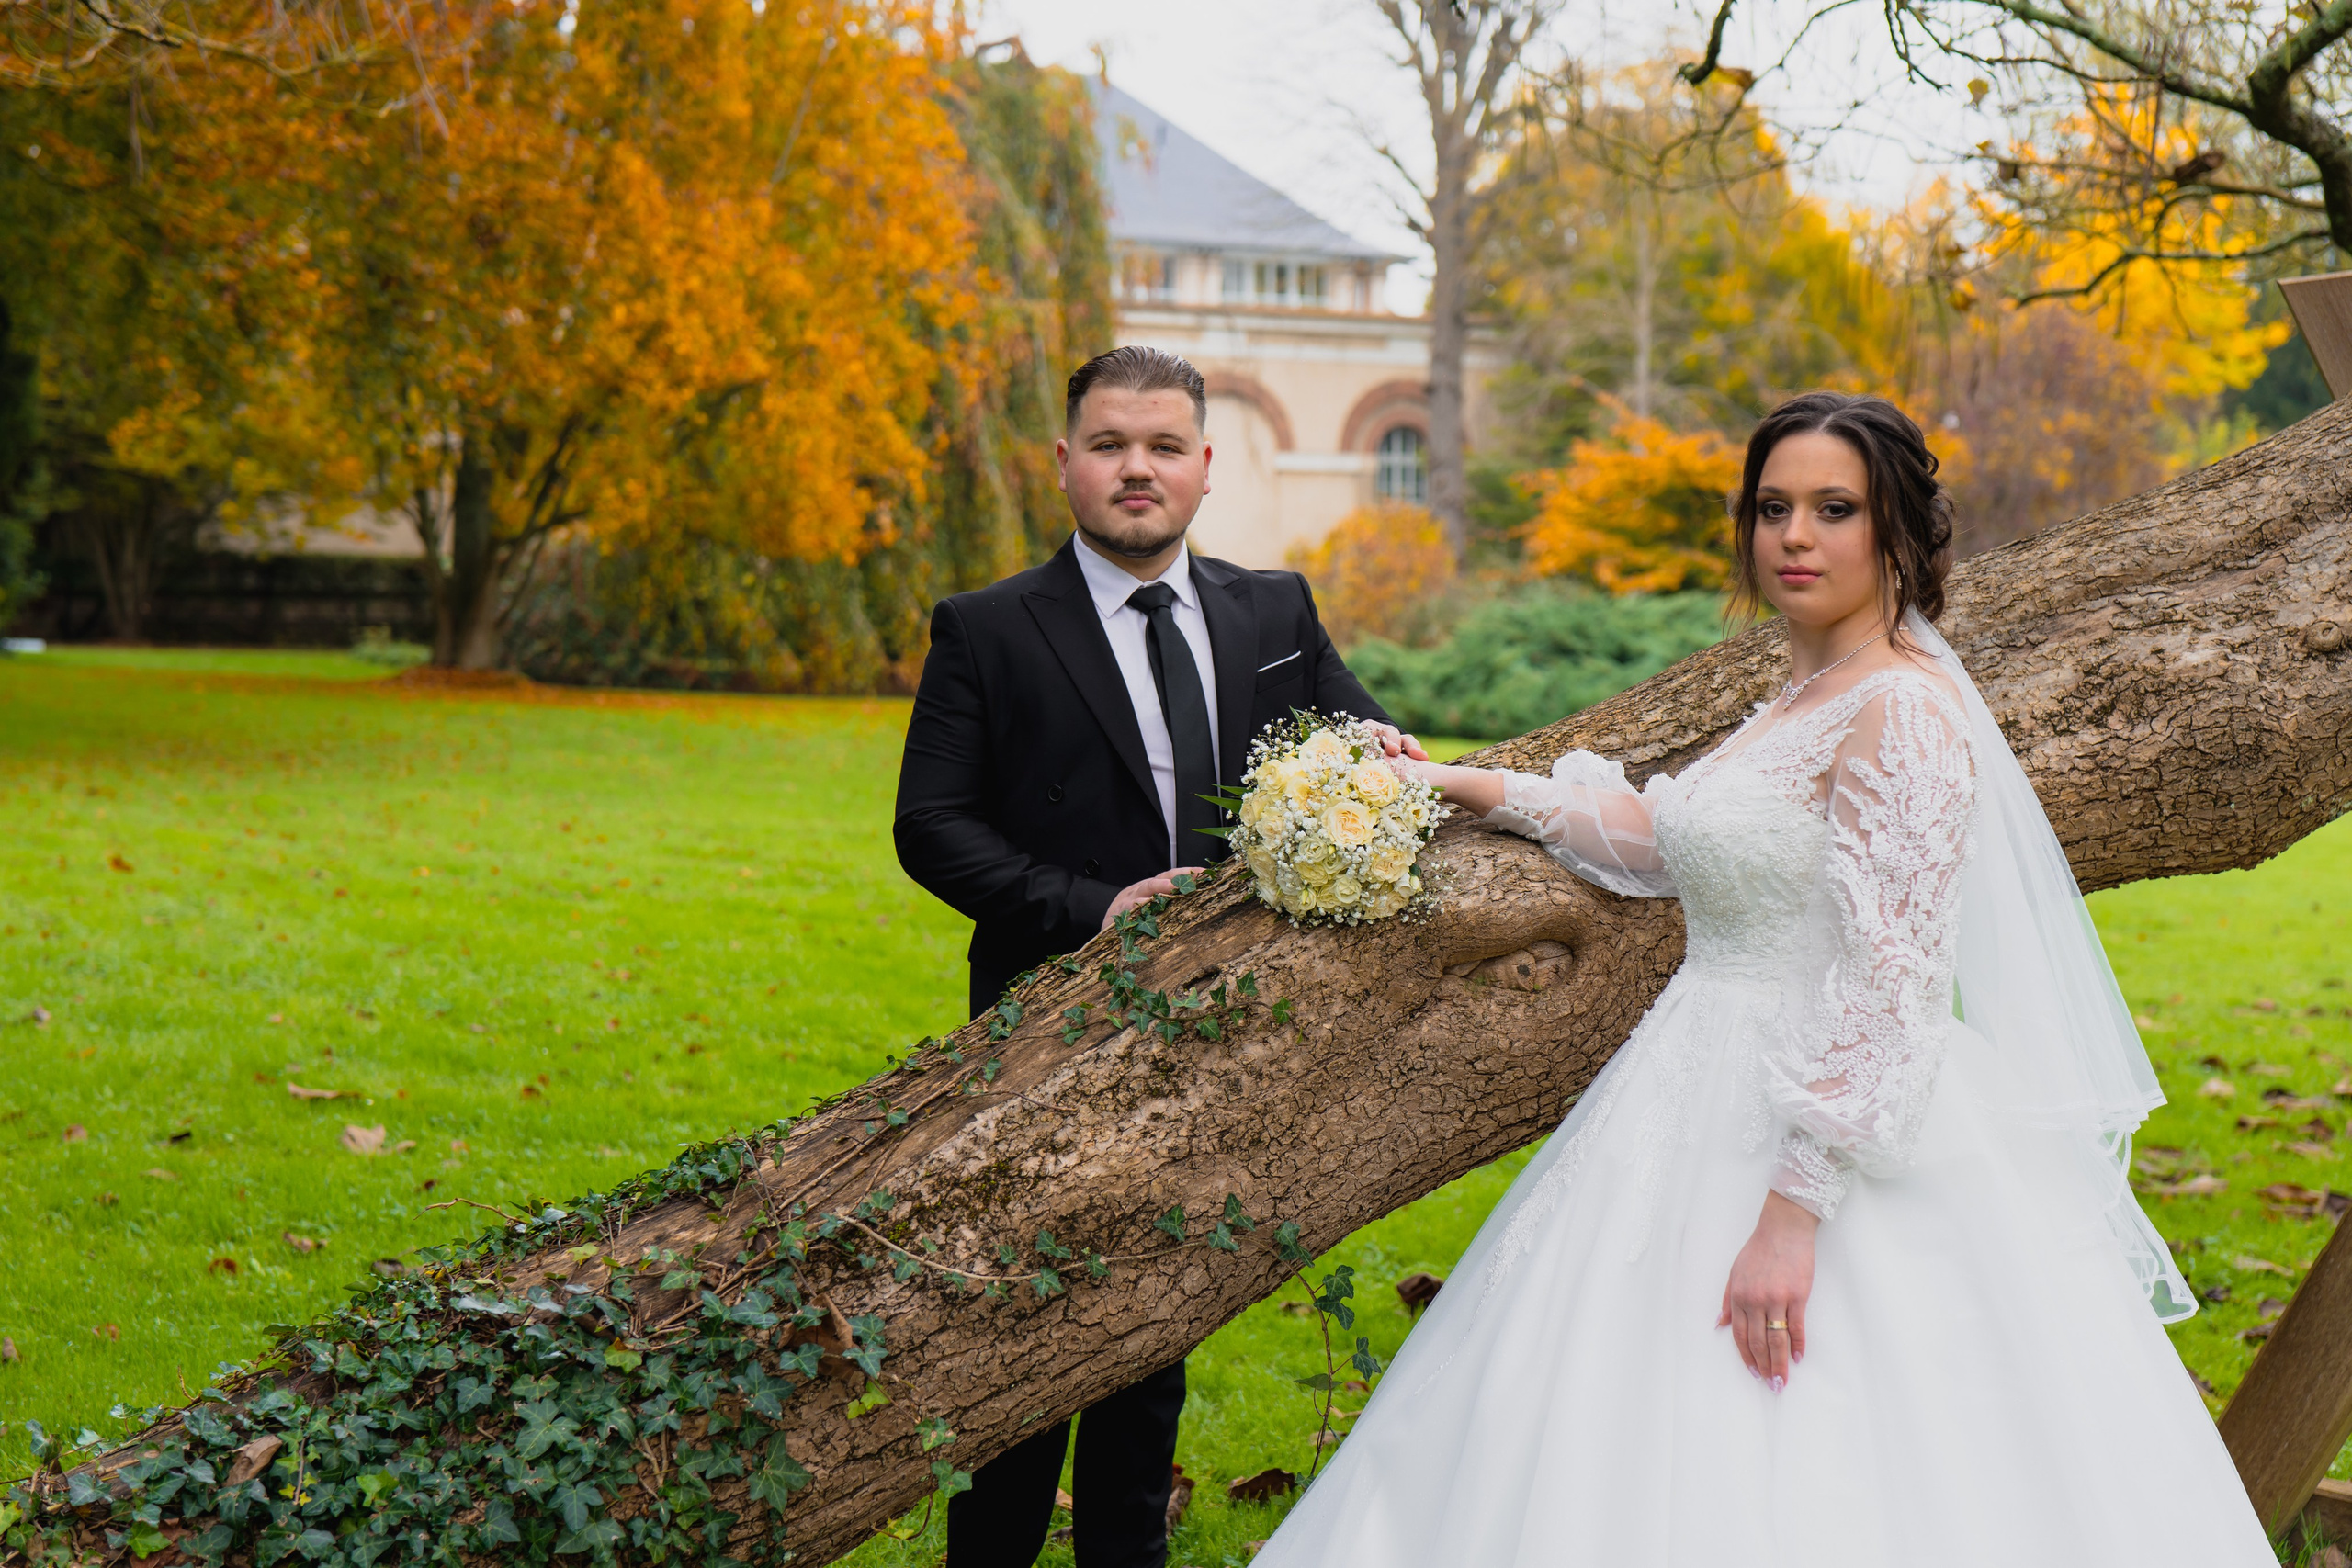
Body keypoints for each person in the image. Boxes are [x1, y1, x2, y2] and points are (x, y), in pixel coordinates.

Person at [1251, 392, 2273, 1565]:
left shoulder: (1902, 710)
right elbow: (1667, 844)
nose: (1793, 535)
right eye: (1772, 507)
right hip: (1687, 1078)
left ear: (1898, 533)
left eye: (1834, 509)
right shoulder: (1801, 697)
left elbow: (1893, 977)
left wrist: (1792, 1213)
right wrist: (1468, 785)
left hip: (1818, 1120)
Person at [894, 344, 1421, 1568]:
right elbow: (931, 825)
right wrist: (1093, 908)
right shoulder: (987, 628)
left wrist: (1384, 756)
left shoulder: (1274, 611)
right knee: (1023, 1326)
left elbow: (1358, 738)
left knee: (1152, 1325)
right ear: (1064, 461)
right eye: (1112, 445)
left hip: (1225, 1024)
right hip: (1045, 1023)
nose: (1139, 468)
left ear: (1205, 464)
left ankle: (1127, 1548)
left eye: (1164, 446)